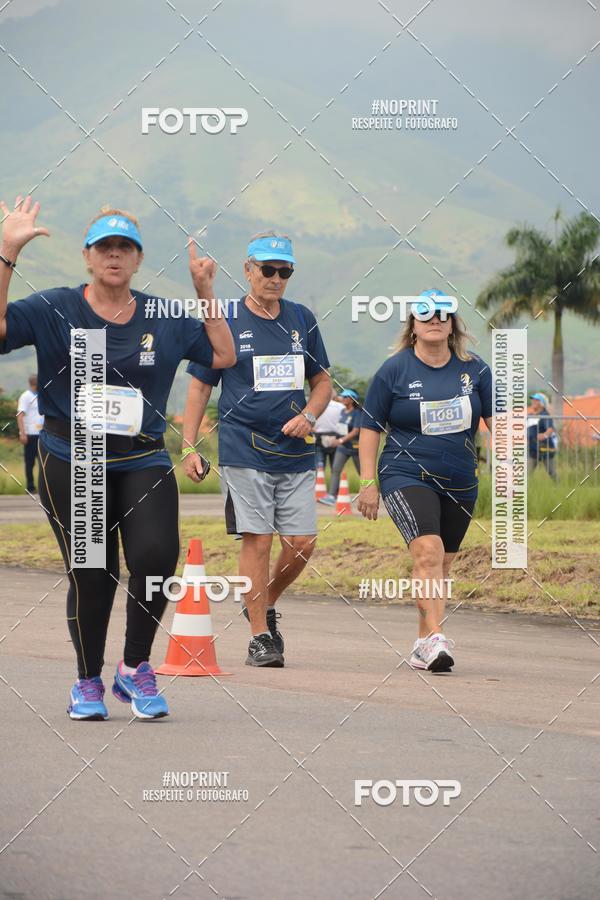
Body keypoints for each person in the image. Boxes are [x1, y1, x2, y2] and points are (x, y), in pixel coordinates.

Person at [0, 196, 235, 720]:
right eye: (104, 246)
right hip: (72, 458)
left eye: (124, 247)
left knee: (155, 559)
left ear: (137, 258)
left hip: (144, 457)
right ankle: (87, 681)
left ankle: (134, 668)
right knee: (94, 571)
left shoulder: (165, 315)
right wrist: (6, 255)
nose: (114, 255)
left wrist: (205, 294)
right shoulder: (54, 307)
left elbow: (223, 356)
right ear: (87, 256)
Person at [182, 231, 332, 667]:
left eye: (284, 271)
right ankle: (259, 636)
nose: (275, 278)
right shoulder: (225, 318)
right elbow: (199, 387)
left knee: (302, 543)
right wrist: (190, 445)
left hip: (295, 451)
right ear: (248, 271)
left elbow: (322, 381)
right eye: (267, 269)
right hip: (243, 448)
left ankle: (262, 602)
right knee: (259, 540)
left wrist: (310, 414)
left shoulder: (302, 319)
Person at [357, 290, 493, 673]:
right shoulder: (393, 371)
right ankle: (437, 637)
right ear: (413, 326)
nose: (435, 319)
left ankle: (422, 645)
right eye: (425, 314)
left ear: (452, 325)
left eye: (443, 314)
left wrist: (509, 467)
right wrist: (368, 483)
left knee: (443, 564)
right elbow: (369, 429)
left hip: (461, 479)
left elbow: (496, 424)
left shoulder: (476, 370)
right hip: (405, 473)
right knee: (428, 553)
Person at [318, 388, 361, 505]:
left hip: (355, 447)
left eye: (345, 397)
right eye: (342, 396)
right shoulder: (342, 412)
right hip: (343, 447)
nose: (342, 398)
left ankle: (369, 493)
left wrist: (340, 440)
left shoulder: (357, 413)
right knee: (335, 470)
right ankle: (332, 496)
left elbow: (355, 431)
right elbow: (341, 428)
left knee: (362, 472)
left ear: (352, 400)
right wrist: (334, 439)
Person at [16, 373, 44, 493]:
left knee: (43, 463)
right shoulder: (26, 396)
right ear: (35, 383)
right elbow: (20, 415)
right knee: (30, 462)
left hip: (42, 434)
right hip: (31, 434)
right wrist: (22, 433)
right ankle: (30, 487)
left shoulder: (42, 395)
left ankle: (43, 488)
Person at [527, 392, 557, 479]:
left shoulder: (545, 415)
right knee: (527, 473)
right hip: (532, 448)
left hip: (545, 448)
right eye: (533, 400)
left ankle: (560, 487)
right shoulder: (530, 415)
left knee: (551, 472)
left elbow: (550, 429)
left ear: (542, 403)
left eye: (536, 400)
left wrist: (544, 435)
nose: (533, 402)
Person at [314, 395, 344, 475]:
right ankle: (335, 487)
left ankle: (319, 486)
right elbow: (343, 423)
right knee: (335, 467)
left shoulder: (316, 405)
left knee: (319, 466)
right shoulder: (341, 406)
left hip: (319, 437)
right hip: (336, 438)